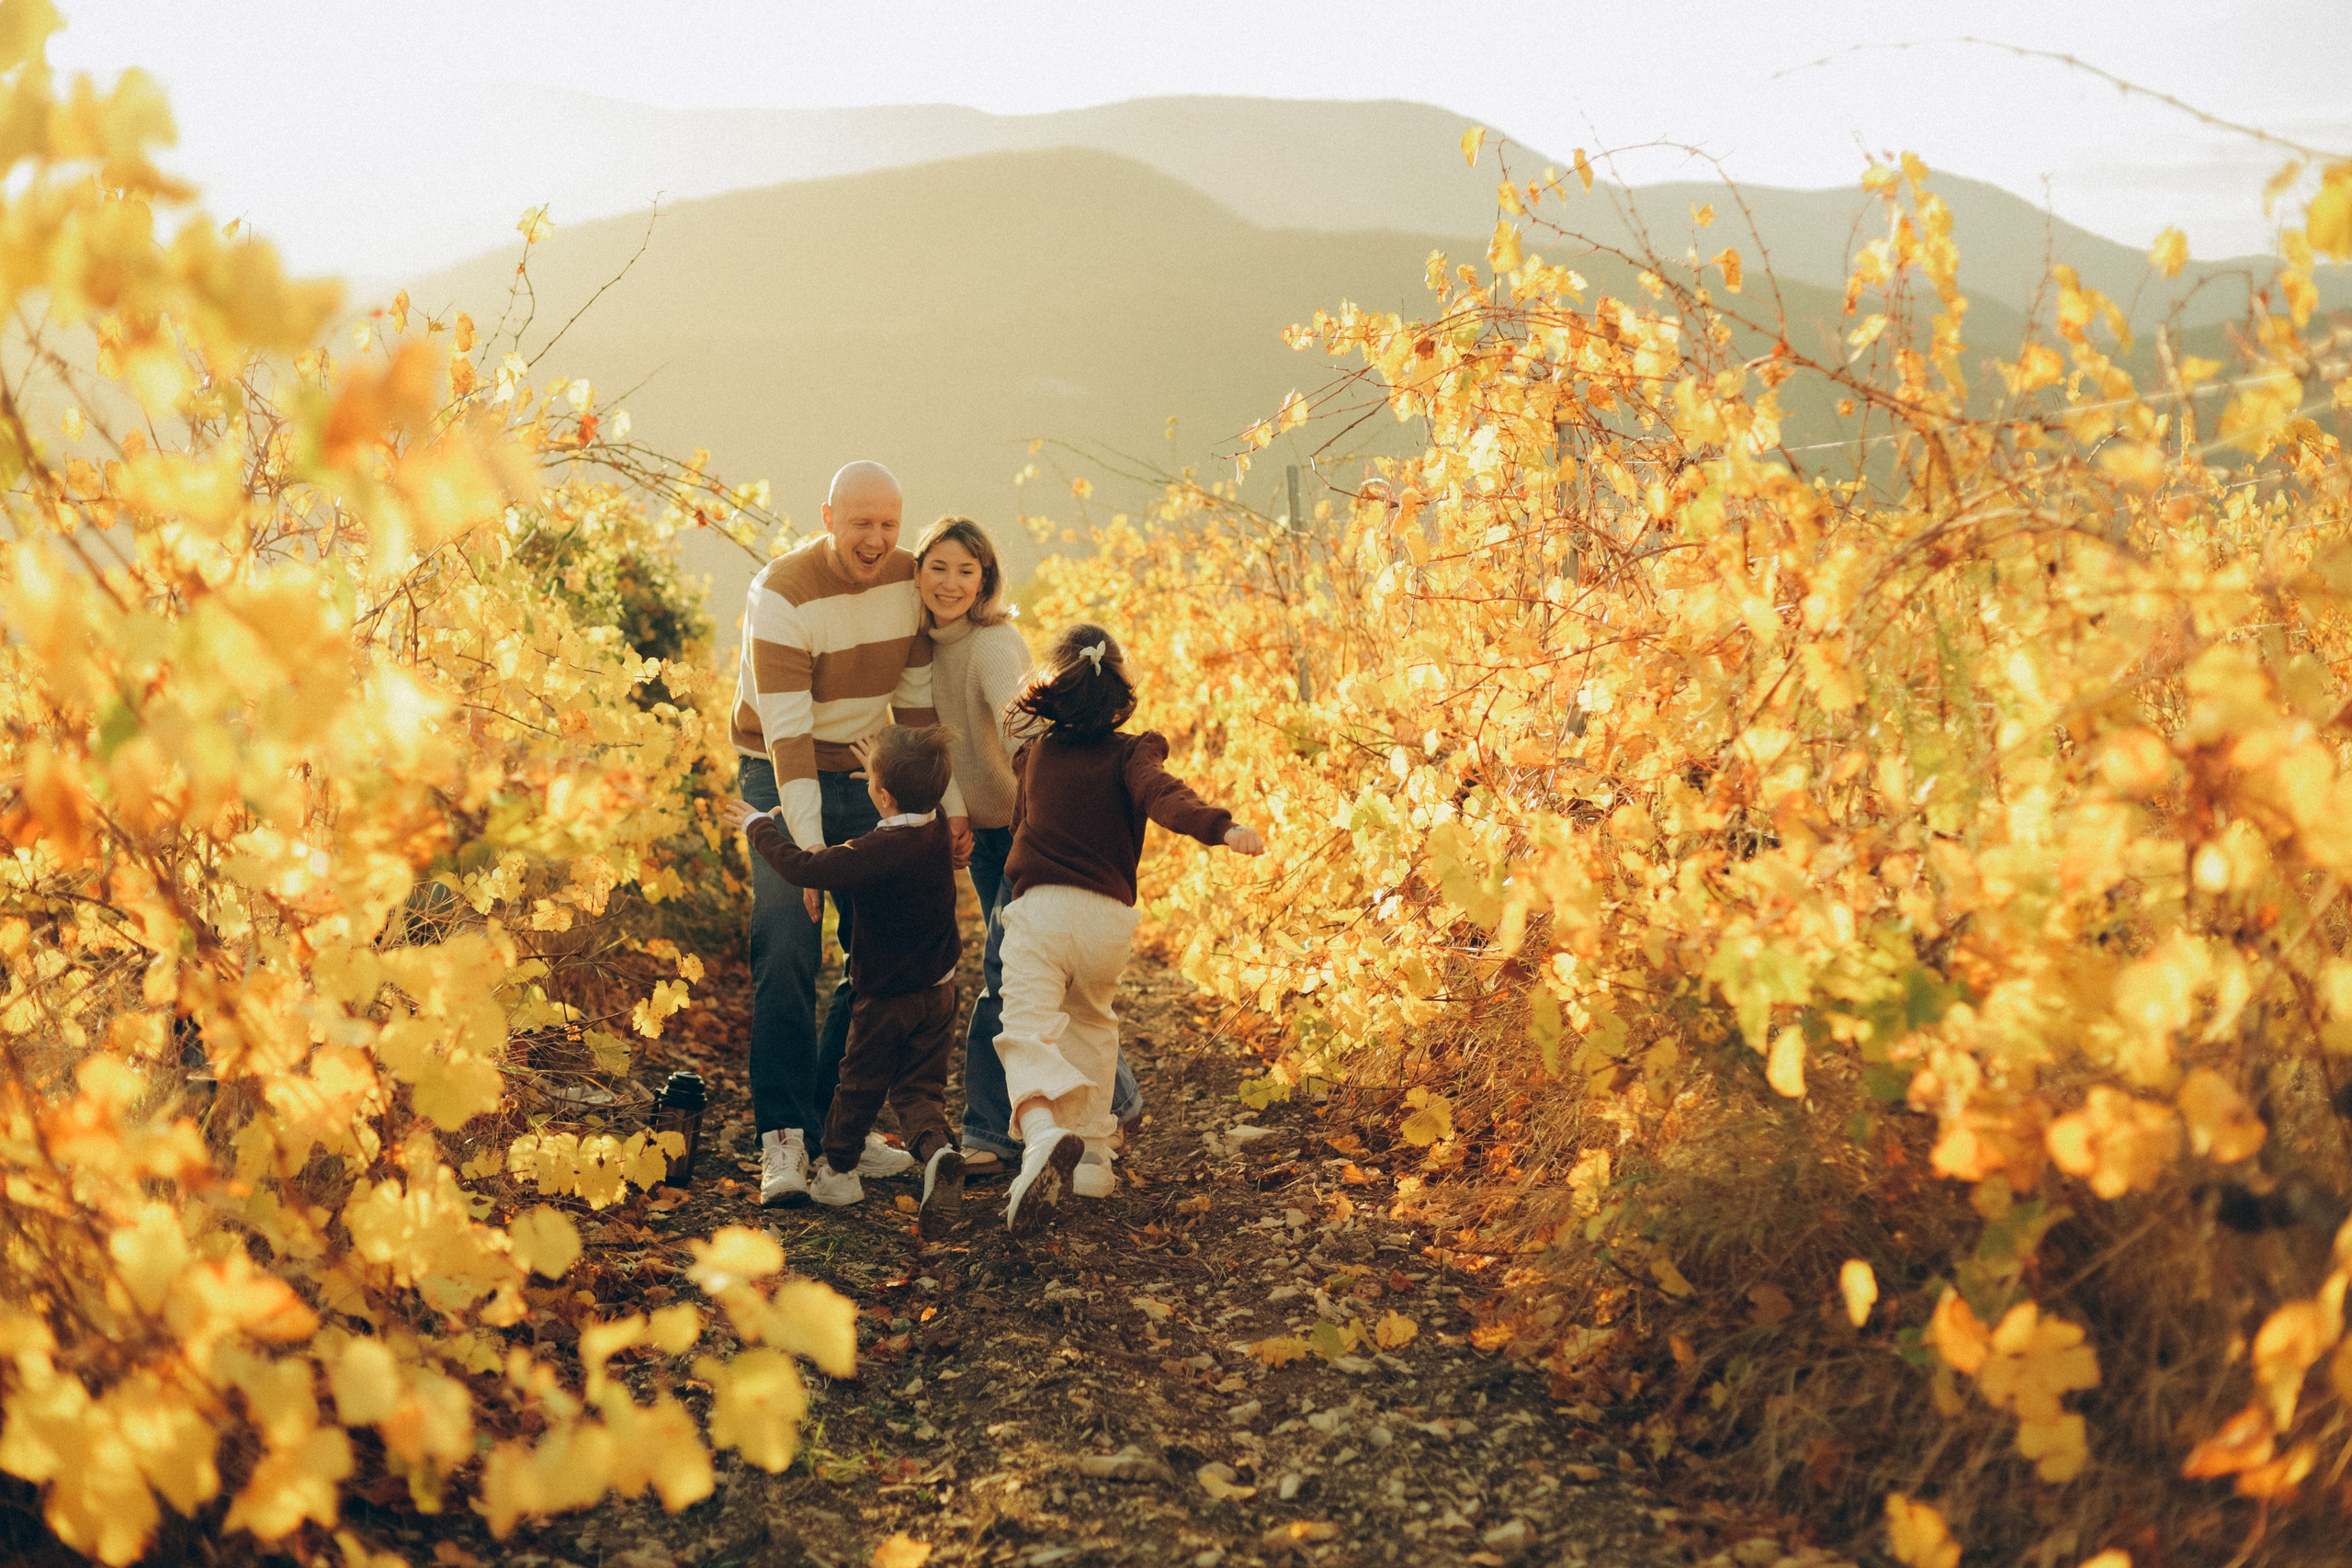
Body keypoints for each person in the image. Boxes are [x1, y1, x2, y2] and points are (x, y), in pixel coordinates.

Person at [730, 461, 967, 1207]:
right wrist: (804, 861)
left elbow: (918, 707)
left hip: (870, 770)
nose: (876, 539)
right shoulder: (782, 595)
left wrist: (944, 807)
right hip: (780, 771)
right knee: (787, 942)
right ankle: (783, 1138)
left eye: (889, 524)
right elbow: (790, 738)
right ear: (828, 516)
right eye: (860, 522)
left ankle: (841, 1121)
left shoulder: (909, 583)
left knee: (880, 951)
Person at [991, 625, 1264, 1234]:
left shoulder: (1035, 756)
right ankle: (1092, 1158)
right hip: (1107, 921)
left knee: (1027, 1027)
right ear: (1120, 696)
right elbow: (1164, 796)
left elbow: (1019, 831)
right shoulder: (1132, 752)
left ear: (1053, 691)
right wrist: (1220, 827)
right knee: (1091, 1022)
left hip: (1041, 910)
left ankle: (1040, 1135)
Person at [910, 516, 1141, 1172]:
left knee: (1008, 979)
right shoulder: (923, 648)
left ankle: (991, 1130)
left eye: (966, 570)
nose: (950, 583)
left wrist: (1040, 830)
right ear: (918, 571)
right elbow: (934, 737)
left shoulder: (991, 645)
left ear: (985, 578)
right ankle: (1115, 1099)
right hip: (984, 830)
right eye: (938, 567)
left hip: (1022, 832)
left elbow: (1031, 741)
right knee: (1031, 980)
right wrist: (952, 810)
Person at [726, 727, 967, 1237]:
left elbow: (802, 865)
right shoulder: (939, 826)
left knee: (858, 1084)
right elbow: (910, 792)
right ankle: (939, 1152)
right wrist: (887, 767)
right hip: (941, 991)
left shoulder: (873, 851)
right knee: (919, 1089)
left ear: (881, 795)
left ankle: (838, 1172)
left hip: (886, 1000)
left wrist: (757, 825)